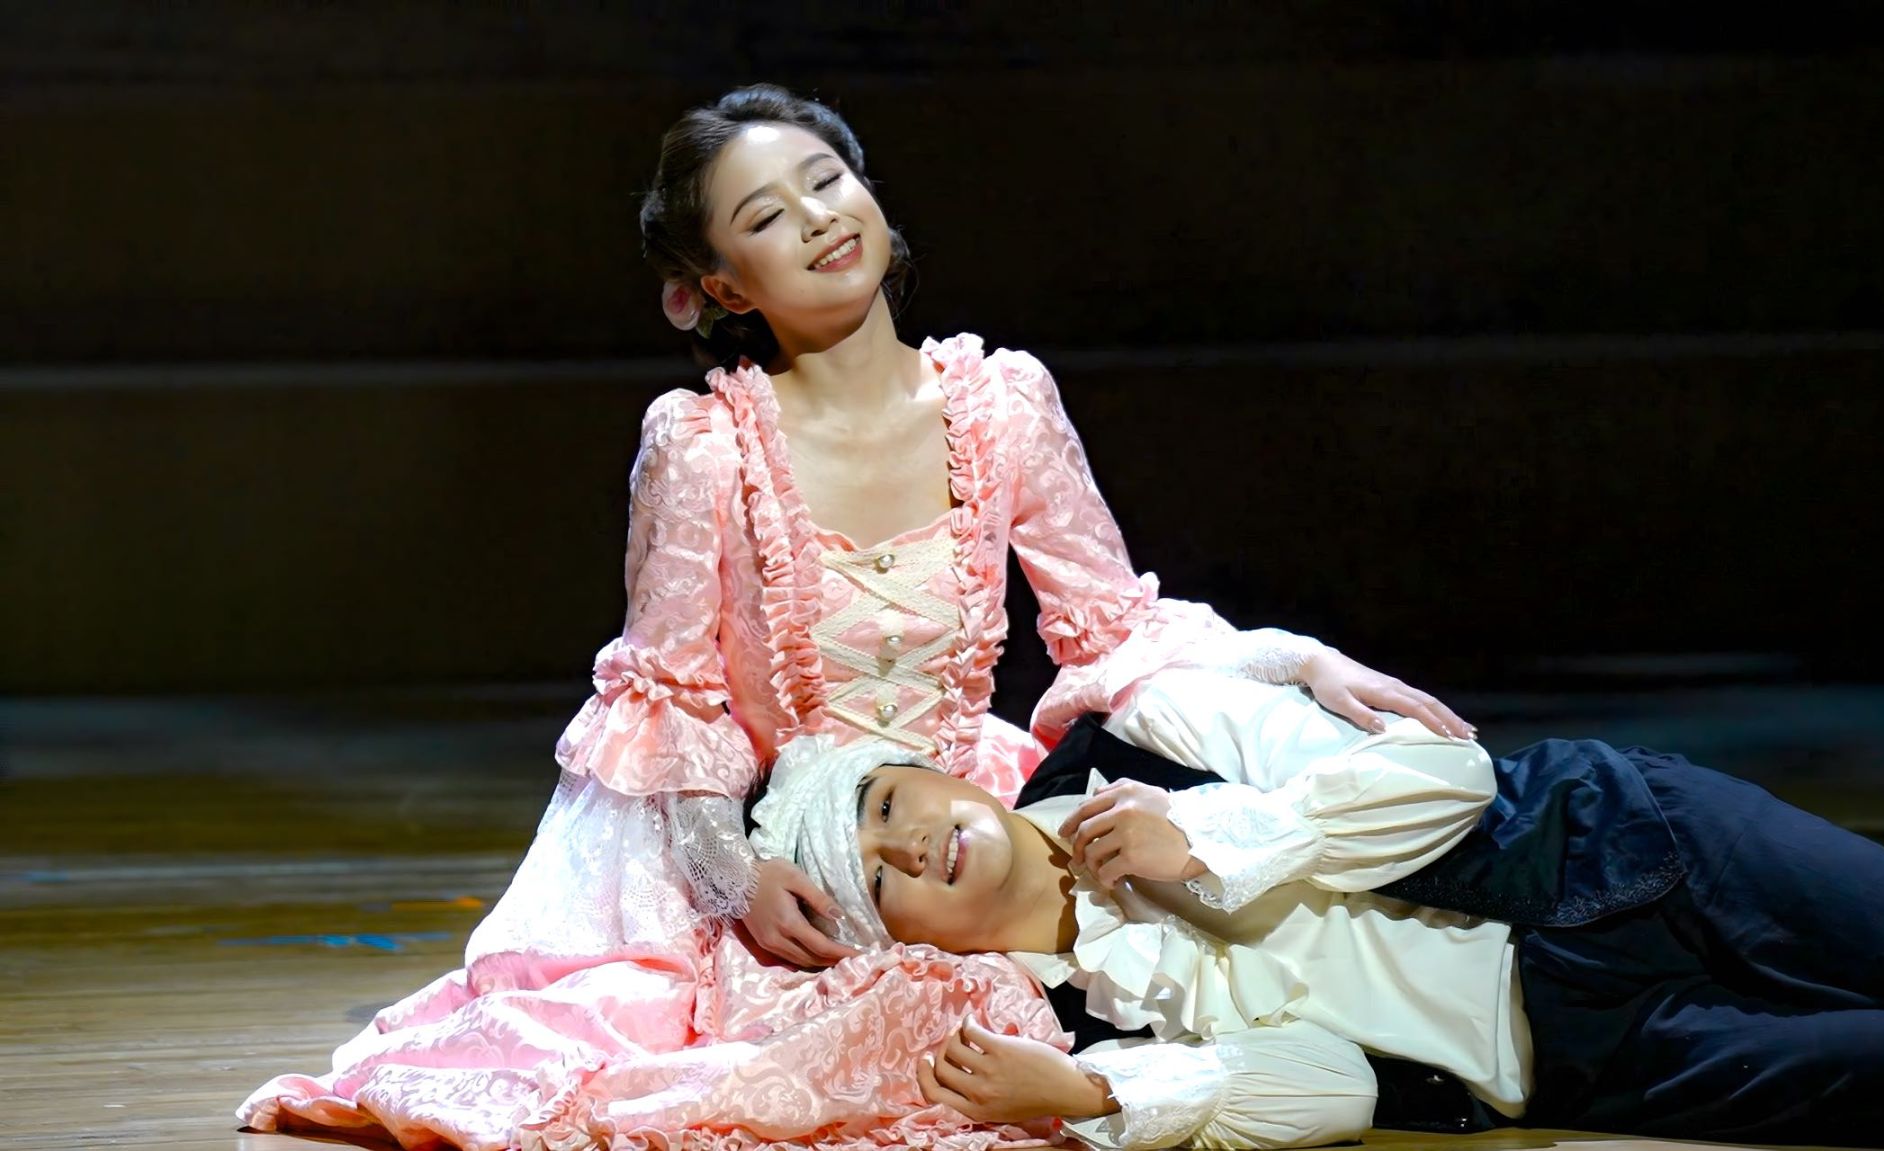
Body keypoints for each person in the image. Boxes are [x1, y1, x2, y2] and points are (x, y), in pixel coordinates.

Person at [239, 84, 1473, 1150]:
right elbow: (672, 696)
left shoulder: (1002, 399)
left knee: (1165, 910)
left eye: (825, 182)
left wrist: (1294, 659)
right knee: (778, 1061)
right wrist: (736, 874)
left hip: (960, 810)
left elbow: (1106, 623)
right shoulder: (703, 443)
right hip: (787, 839)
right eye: (765, 216)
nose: (818, 218)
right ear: (718, 286)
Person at [750, 667, 1884, 1150]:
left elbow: (1446, 780)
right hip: (1577, 1051)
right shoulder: (1076, 1022)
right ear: (899, 940)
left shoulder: (1142, 730)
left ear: (937, 770)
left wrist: (1208, 841)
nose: (908, 843)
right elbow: (1336, 1087)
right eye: (878, 876)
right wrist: (1096, 1096)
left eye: (887, 801)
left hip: (1618, 841)